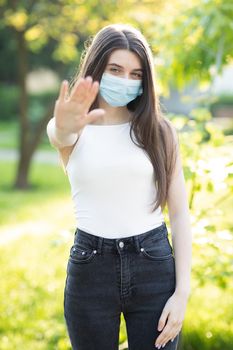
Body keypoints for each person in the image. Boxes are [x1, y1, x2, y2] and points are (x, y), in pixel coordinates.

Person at [47, 23, 192, 350]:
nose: (125, 80)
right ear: (97, 68)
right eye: (115, 70)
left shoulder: (159, 132)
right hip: (90, 269)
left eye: (135, 74)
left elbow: (180, 214)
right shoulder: (76, 128)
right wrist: (61, 125)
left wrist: (182, 293)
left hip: (154, 265)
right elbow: (59, 134)